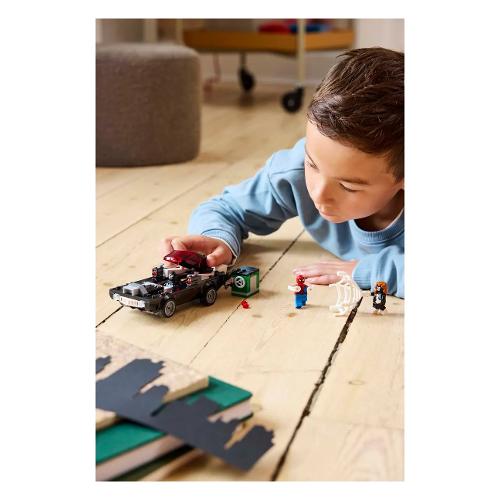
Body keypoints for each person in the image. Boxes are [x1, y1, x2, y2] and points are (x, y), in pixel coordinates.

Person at [161, 48, 404, 297]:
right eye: (312, 165)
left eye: (348, 186)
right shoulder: (295, 169)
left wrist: (373, 271)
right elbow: (224, 208)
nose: (319, 194)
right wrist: (218, 239)